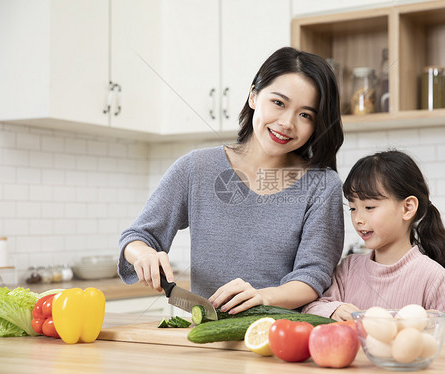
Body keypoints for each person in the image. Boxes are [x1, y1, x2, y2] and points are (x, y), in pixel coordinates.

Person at [118, 47, 345, 314]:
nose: (287, 123)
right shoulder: (196, 168)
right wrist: (143, 254)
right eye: (279, 103)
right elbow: (137, 237)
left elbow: (312, 276)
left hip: (280, 340)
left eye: (305, 115)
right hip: (207, 338)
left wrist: (262, 297)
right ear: (253, 96)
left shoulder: (322, 185)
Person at [302, 150, 445, 334]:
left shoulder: (435, 278)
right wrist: (333, 310)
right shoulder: (348, 269)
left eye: (369, 207)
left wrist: (437, 324)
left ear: (407, 208)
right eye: (353, 208)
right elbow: (310, 308)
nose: (358, 219)